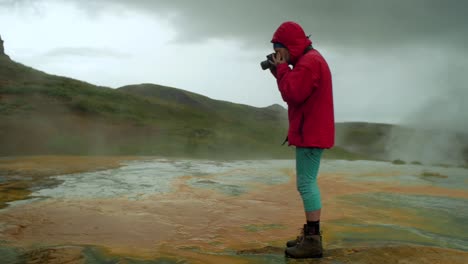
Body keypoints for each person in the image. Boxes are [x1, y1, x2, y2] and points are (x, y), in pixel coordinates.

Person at [268, 21, 335, 258]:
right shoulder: (310, 60)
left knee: (306, 184)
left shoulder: (308, 64)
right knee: (307, 182)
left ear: (288, 46)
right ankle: (310, 236)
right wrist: (282, 70)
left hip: (312, 133)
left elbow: (292, 94)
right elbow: (294, 92)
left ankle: (313, 241)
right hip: (313, 130)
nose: (277, 56)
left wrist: (283, 69)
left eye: (278, 50)